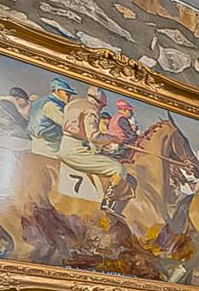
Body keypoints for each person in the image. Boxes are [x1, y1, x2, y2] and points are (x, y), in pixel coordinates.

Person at [54, 84, 129, 214]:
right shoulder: (91, 110)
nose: (101, 109)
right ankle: (107, 203)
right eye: (102, 106)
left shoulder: (74, 102)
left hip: (65, 145)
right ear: (98, 102)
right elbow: (93, 136)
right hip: (76, 152)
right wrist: (113, 138)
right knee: (119, 168)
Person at [26, 78, 72, 157]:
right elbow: (65, 124)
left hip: (38, 142)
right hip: (49, 145)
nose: (69, 97)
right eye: (67, 94)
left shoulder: (41, 101)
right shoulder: (51, 104)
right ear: (58, 91)